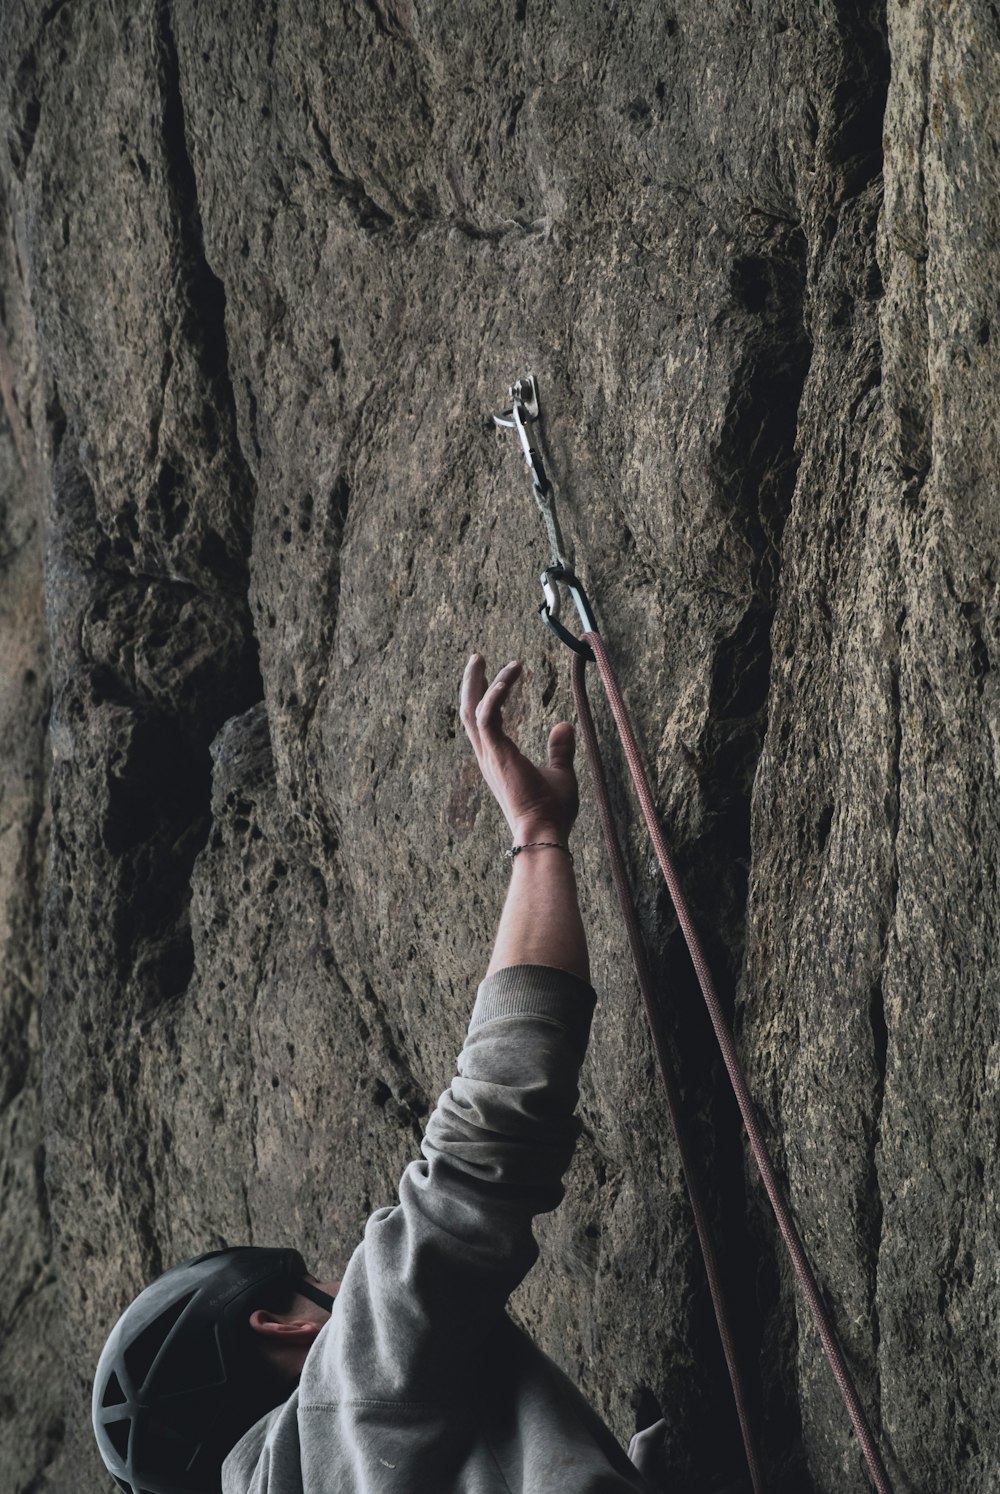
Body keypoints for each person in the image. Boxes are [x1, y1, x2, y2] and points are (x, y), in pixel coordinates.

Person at [93, 654, 683, 1492]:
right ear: (278, 1325)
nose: (342, 1283)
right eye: (316, 1286)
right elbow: (489, 1138)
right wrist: (538, 836)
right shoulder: (343, 1389)